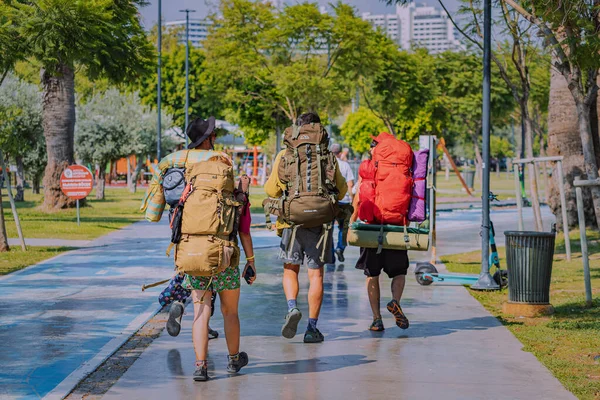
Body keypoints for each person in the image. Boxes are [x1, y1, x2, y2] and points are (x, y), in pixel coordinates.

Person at [141, 116, 257, 381]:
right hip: (225, 253)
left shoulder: (178, 167)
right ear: (208, 139)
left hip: (193, 249)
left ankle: (200, 366)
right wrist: (250, 260)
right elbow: (243, 225)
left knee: (201, 311)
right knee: (230, 311)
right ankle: (232, 360)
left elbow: (156, 211)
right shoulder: (223, 164)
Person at [264, 112, 347, 343]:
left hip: (292, 220)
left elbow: (271, 191)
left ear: (297, 129)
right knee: (316, 274)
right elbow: (341, 191)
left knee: (290, 269)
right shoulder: (327, 155)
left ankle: (292, 308)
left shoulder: (285, 154)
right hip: (320, 223)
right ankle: (312, 328)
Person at [350, 139, 409, 332]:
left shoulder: (370, 167)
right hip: (397, 228)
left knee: (372, 274)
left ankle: (377, 319)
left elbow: (360, 197)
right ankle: (395, 301)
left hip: (372, 229)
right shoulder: (402, 167)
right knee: (399, 272)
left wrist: (351, 222)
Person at [329, 143, 354, 263]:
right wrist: (352, 199)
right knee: (343, 228)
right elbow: (350, 185)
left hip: (330, 202)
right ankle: (340, 248)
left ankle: (330, 254)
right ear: (340, 153)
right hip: (343, 201)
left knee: (329, 228)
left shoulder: (327, 165)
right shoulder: (345, 165)